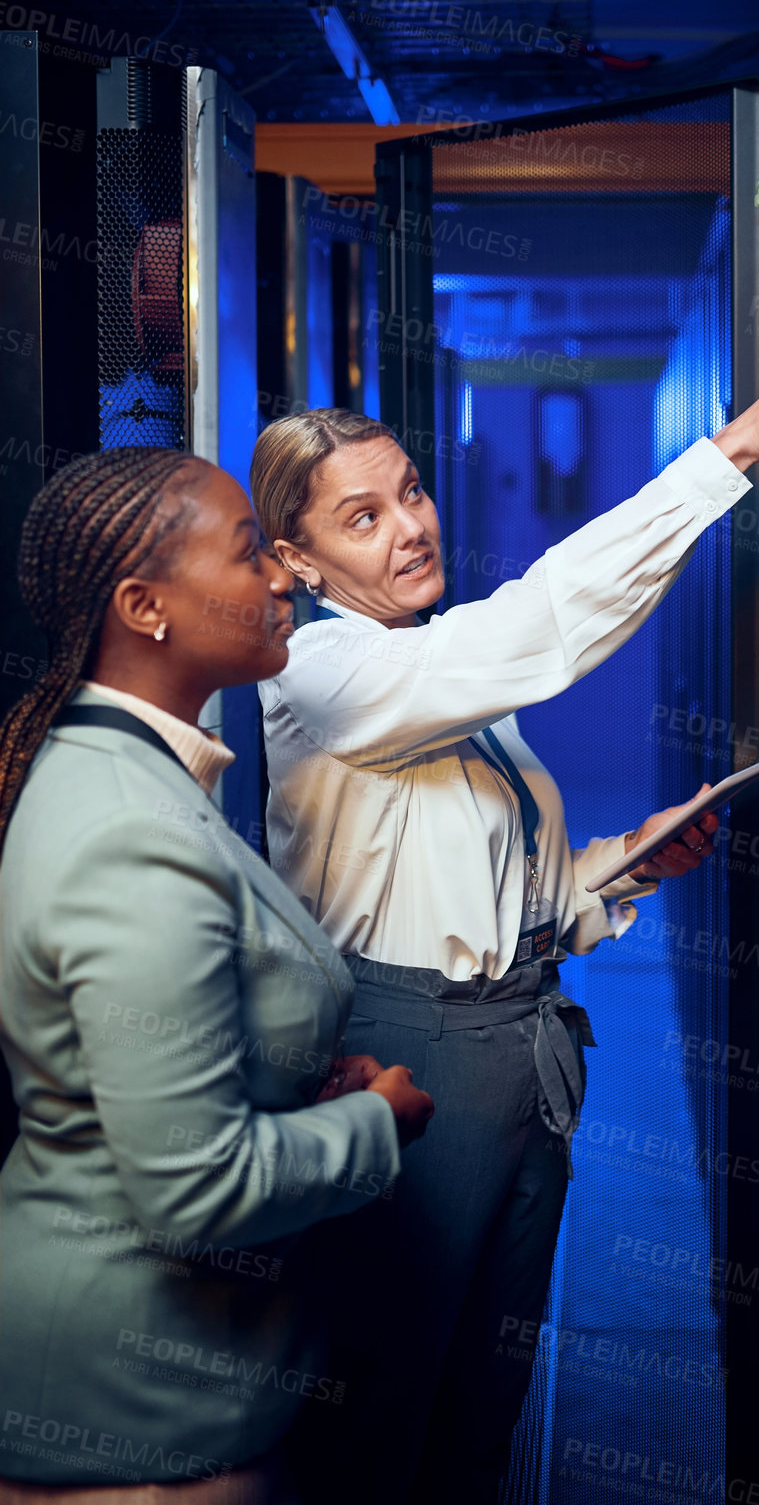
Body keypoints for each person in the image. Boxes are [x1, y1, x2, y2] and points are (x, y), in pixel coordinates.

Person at [250, 314, 759, 1502]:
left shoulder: (430, 666)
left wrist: (622, 861)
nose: (411, 526)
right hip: (405, 1046)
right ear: (298, 560)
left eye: (410, 492)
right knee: (385, 1401)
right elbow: (542, 627)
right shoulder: (320, 672)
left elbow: (505, 891)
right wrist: (729, 449)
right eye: (361, 517)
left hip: (518, 1049)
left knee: (485, 1395)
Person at [0, 447, 433, 1504]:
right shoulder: (127, 832)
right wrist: (377, 1121)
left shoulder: (138, 774)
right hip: (135, 1407)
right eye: (249, 556)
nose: (282, 578)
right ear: (144, 606)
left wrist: (292, 1089)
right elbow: (194, 1186)